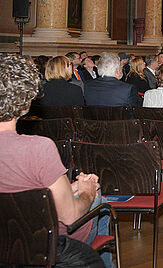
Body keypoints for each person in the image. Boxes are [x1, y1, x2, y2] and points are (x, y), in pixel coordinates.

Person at [0, 53, 111, 268]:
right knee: (102, 204)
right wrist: (87, 190)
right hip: (41, 242)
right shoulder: (38, 148)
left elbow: (26, 191)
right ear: (25, 104)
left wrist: (70, 187)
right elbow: (69, 217)